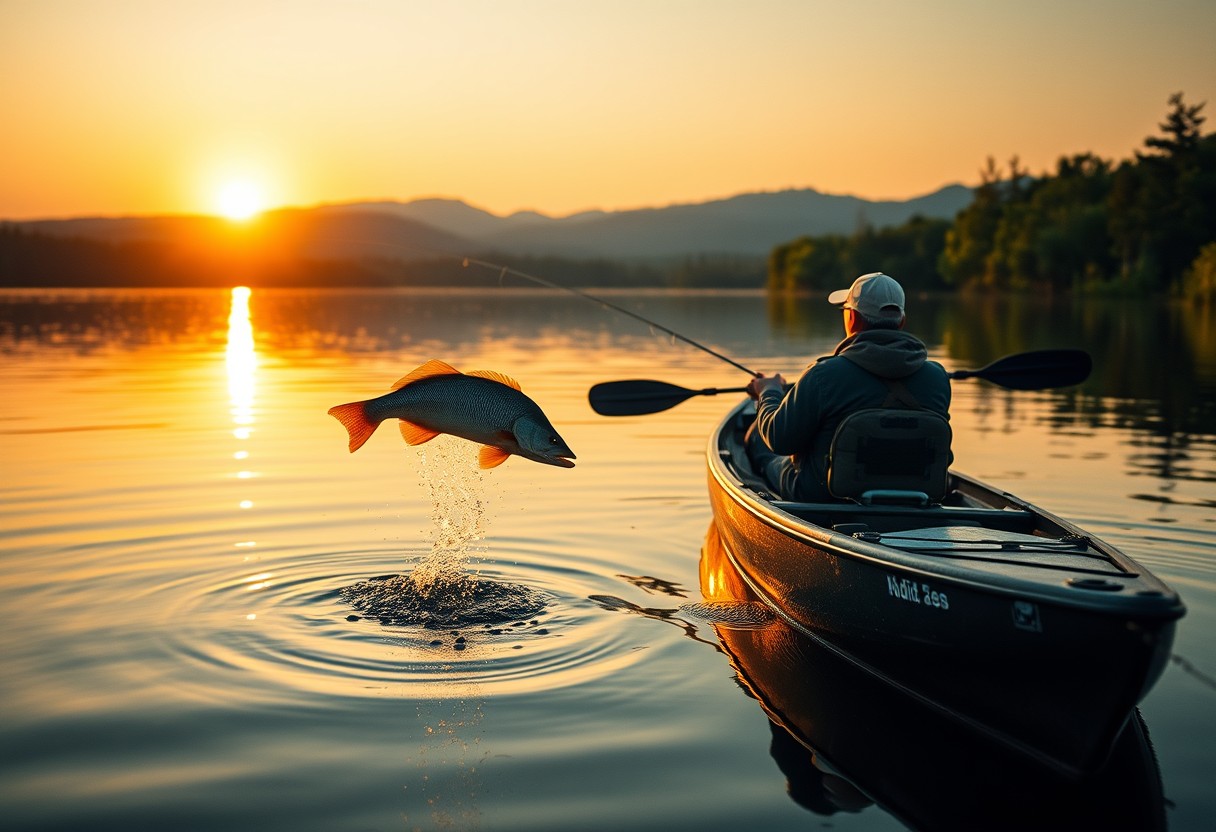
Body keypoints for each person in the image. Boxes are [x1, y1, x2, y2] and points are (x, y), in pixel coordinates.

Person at [745, 272, 951, 501]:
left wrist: (768, 391)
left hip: (823, 498)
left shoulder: (823, 375)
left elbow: (779, 439)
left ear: (852, 318)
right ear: (901, 321)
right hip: (918, 498)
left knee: (759, 440)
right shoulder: (937, 378)